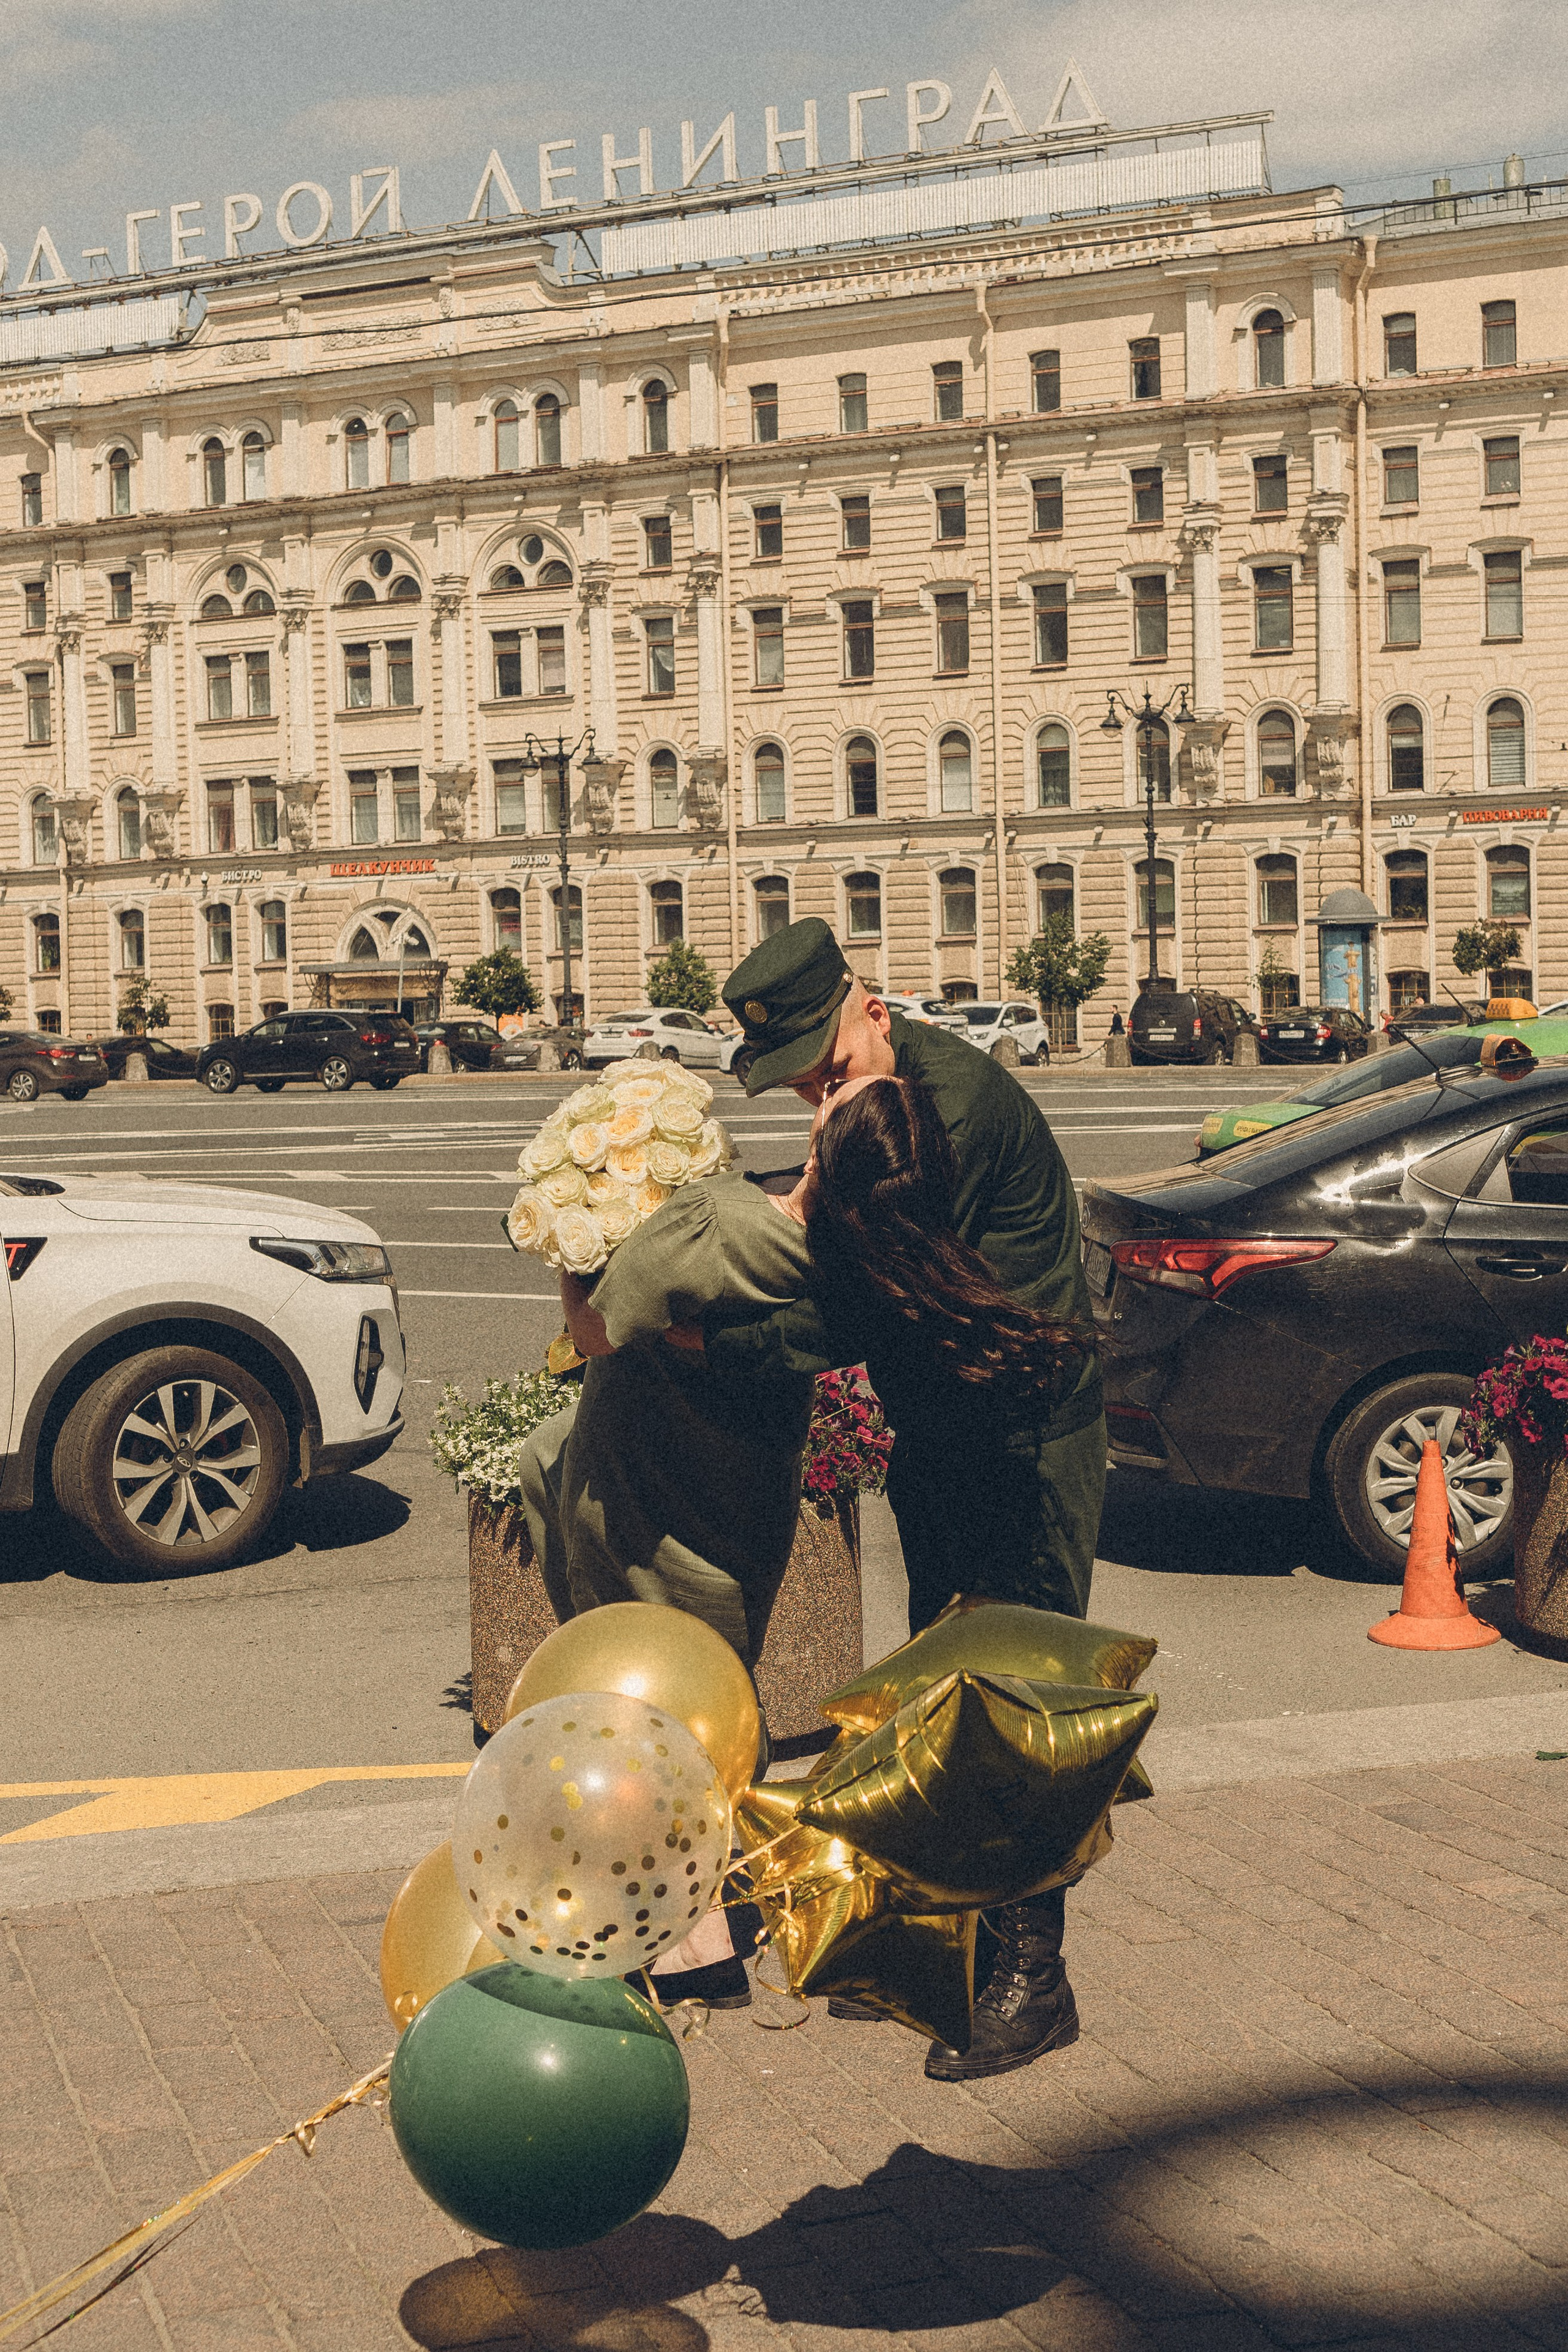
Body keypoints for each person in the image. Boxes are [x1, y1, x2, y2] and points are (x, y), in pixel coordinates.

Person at [699, 918, 1105, 2082]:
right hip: (948, 1429)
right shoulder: (882, 1111)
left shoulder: (953, 1115)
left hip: (1029, 1445)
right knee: (939, 1694)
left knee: (1023, 1711)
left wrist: (702, 1340)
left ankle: (1035, 1979)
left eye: (827, 1075)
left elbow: (857, 1311)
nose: (818, 1104)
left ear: (872, 1009)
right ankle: (938, 1938)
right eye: (801, 1090)